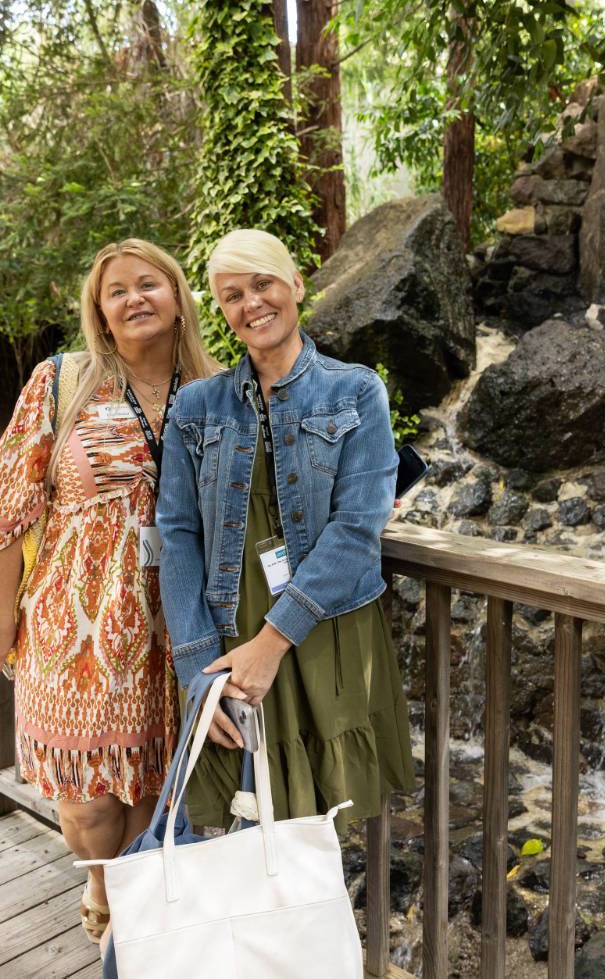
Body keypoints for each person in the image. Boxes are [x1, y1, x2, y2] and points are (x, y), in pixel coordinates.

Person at [0, 238, 221, 945]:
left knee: (147, 785)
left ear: (177, 298)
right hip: (70, 622)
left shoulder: (217, 387)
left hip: (175, 622)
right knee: (87, 800)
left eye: (150, 284)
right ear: (101, 313)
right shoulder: (63, 380)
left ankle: (130, 928)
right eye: (118, 291)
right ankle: (103, 886)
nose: (135, 298)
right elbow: (3, 505)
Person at [157, 228, 413, 834]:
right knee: (242, 818)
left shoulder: (355, 391)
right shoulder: (196, 407)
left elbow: (356, 530)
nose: (252, 304)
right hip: (227, 630)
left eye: (263, 284)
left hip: (324, 630)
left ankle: (317, 927)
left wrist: (272, 645)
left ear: (295, 284)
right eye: (232, 294)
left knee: (321, 825)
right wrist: (197, 671)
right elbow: (177, 535)